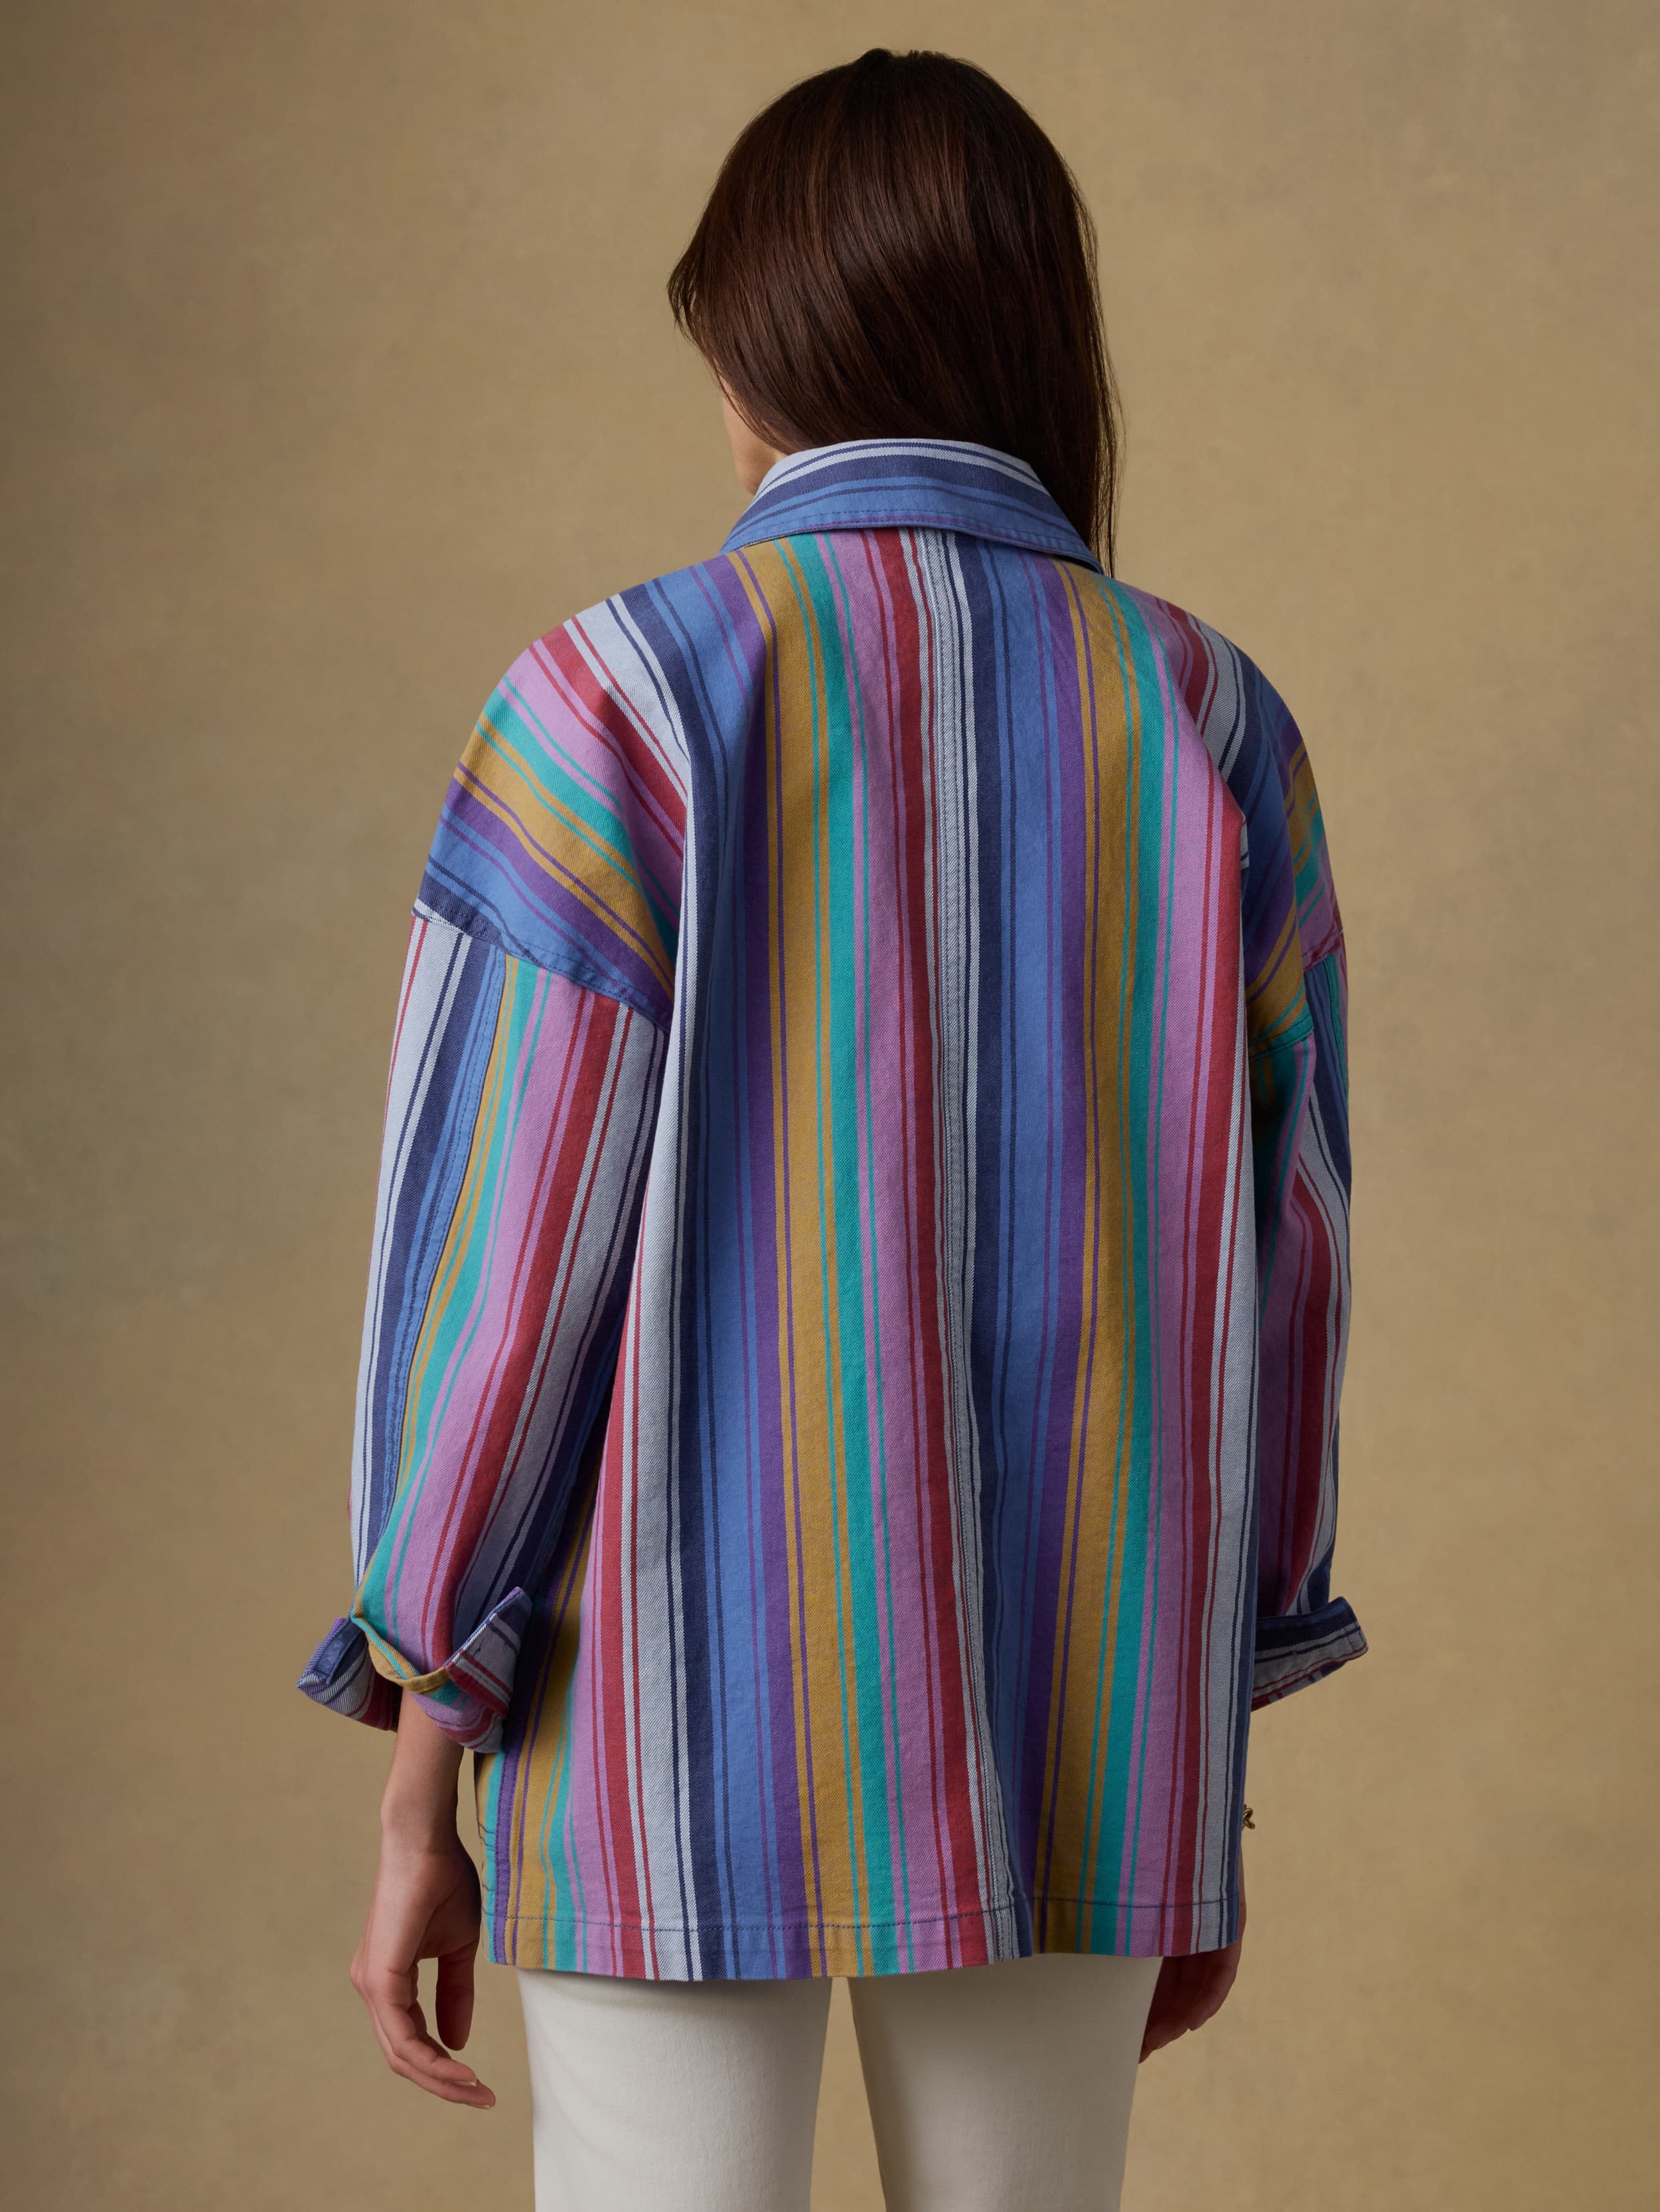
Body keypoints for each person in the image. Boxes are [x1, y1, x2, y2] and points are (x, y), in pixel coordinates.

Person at [298, 46, 1365, 2212]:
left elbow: (503, 1278)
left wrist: (425, 1760)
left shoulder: (615, 696)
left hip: (655, 1729)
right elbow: (1293, 1258)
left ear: (751, 338)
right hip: (1085, 1724)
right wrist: (1202, 1755)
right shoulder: (1209, 716)